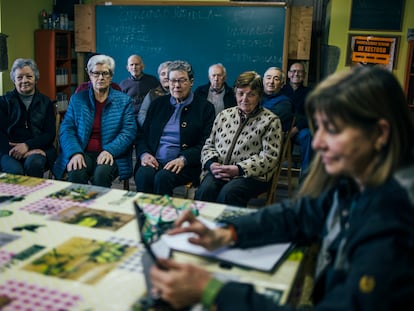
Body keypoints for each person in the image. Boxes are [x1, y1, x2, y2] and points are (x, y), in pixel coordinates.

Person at [149, 65, 414, 310]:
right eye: (317, 128)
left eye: (332, 130)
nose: (318, 143)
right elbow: (301, 214)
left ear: (380, 134)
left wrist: (212, 290)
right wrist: (227, 232)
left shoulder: (395, 220)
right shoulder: (358, 179)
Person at [194, 71, 283, 207]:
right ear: (235, 93)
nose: (244, 99)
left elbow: (269, 158)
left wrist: (238, 169)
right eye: (241, 93)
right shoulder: (224, 115)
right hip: (220, 170)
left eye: (251, 94)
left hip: (252, 175)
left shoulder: (271, 121)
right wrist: (211, 164)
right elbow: (209, 145)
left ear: (259, 96)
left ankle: (228, 228)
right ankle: (201, 227)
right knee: (205, 191)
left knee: (229, 193)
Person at [53, 54, 136, 187]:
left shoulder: (123, 100)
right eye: (96, 73)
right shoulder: (77, 99)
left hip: (111, 153)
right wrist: (75, 152)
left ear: (111, 76)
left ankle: (99, 208)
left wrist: (110, 150)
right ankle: (79, 207)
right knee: (76, 172)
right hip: (82, 150)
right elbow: (67, 129)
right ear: (89, 75)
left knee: (101, 175)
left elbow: (129, 131)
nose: (101, 77)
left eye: (105, 73)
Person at [134, 60, 215, 196]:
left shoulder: (205, 108)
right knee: (144, 175)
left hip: (185, 164)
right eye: (172, 81)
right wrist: (144, 154)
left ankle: (165, 215)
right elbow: (142, 136)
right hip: (154, 160)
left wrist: (183, 159)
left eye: (182, 80)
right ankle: (145, 213)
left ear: (191, 82)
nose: (176, 85)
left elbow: (206, 143)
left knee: (163, 178)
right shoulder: (157, 104)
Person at [0, 58, 56, 178]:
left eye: (29, 76)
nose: (24, 81)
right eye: (19, 77)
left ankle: (36, 196)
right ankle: (14, 197)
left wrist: (27, 146)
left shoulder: (46, 102)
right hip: (8, 150)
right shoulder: (3, 102)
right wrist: (14, 151)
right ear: (13, 80)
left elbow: (49, 134)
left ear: (35, 78)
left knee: (34, 164)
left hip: (37, 148)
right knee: (15, 171)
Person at [282, 62, 313, 174]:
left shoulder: (310, 92)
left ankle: (305, 175)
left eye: (299, 72)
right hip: (282, 130)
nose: (296, 74)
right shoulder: (281, 90)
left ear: (304, 75)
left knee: (308, 135)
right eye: (293, 71)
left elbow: (311, 115)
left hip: (300, 130)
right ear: (289, 74)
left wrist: (296, 129)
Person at [137, 60, 172, 127]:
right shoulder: (152, 94)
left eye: (168, 74)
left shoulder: (181, 93)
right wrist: (149, 128)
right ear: (159, 77)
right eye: (163, 74)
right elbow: (142, 113)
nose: (166, 77)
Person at [260, 67, 293, 132]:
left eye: (276, 79)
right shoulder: (256, 97)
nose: (271, 81)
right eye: (268, 78)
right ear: (263, 81)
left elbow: (266, 121)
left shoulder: (285, 103)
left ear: (282, 84)